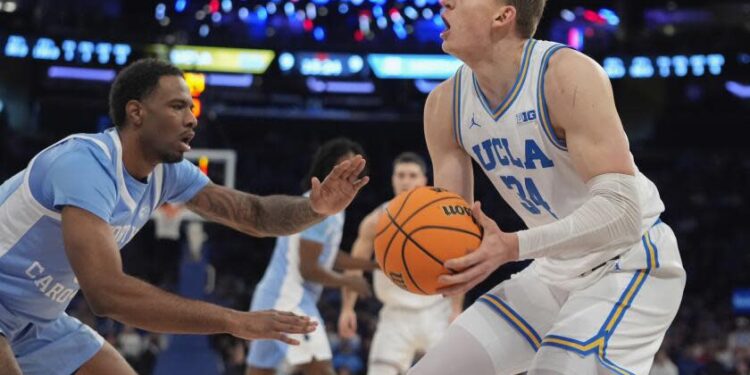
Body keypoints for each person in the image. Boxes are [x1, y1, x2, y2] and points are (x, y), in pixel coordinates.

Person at [0, 58, 369, 375]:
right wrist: (234, 321)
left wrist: (315, 208)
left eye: (191, 108)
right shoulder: (86, 165)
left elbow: (253, 214)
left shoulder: (168, 173)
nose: (191, 119)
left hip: (38, 322)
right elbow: (107, 294)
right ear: (137, 112)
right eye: (177, 106)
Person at [408, 0, 686, 374]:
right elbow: (451, 231)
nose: (446, 2)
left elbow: (623, 213)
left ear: (503, 16)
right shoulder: (444, 105)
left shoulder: (566, 75)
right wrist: (423, 255)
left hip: (628, 262)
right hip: (551, 271)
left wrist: (512, 246)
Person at [246, 138, 378, 375]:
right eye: (343, 167)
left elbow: (328, 256)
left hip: (270, 298)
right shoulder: (318, 206)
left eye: (354, 170)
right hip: (288, 300)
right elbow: (308, 268)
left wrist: (373, 265)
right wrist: (348, 281)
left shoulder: (332, 208)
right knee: (321, 368)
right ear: (329, 168)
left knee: (260, 372)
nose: (348, 174)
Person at [338, 152, 461, 375]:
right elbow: (355, 265)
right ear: (393, 179)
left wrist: (456, 308)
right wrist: (347, 308)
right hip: (394, 314)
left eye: (412, 175)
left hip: (436, 311)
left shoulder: (444, 217)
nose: (406, 181)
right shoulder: (376, 220)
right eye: (400, 175)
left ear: (424, 180)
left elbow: (461, 263)